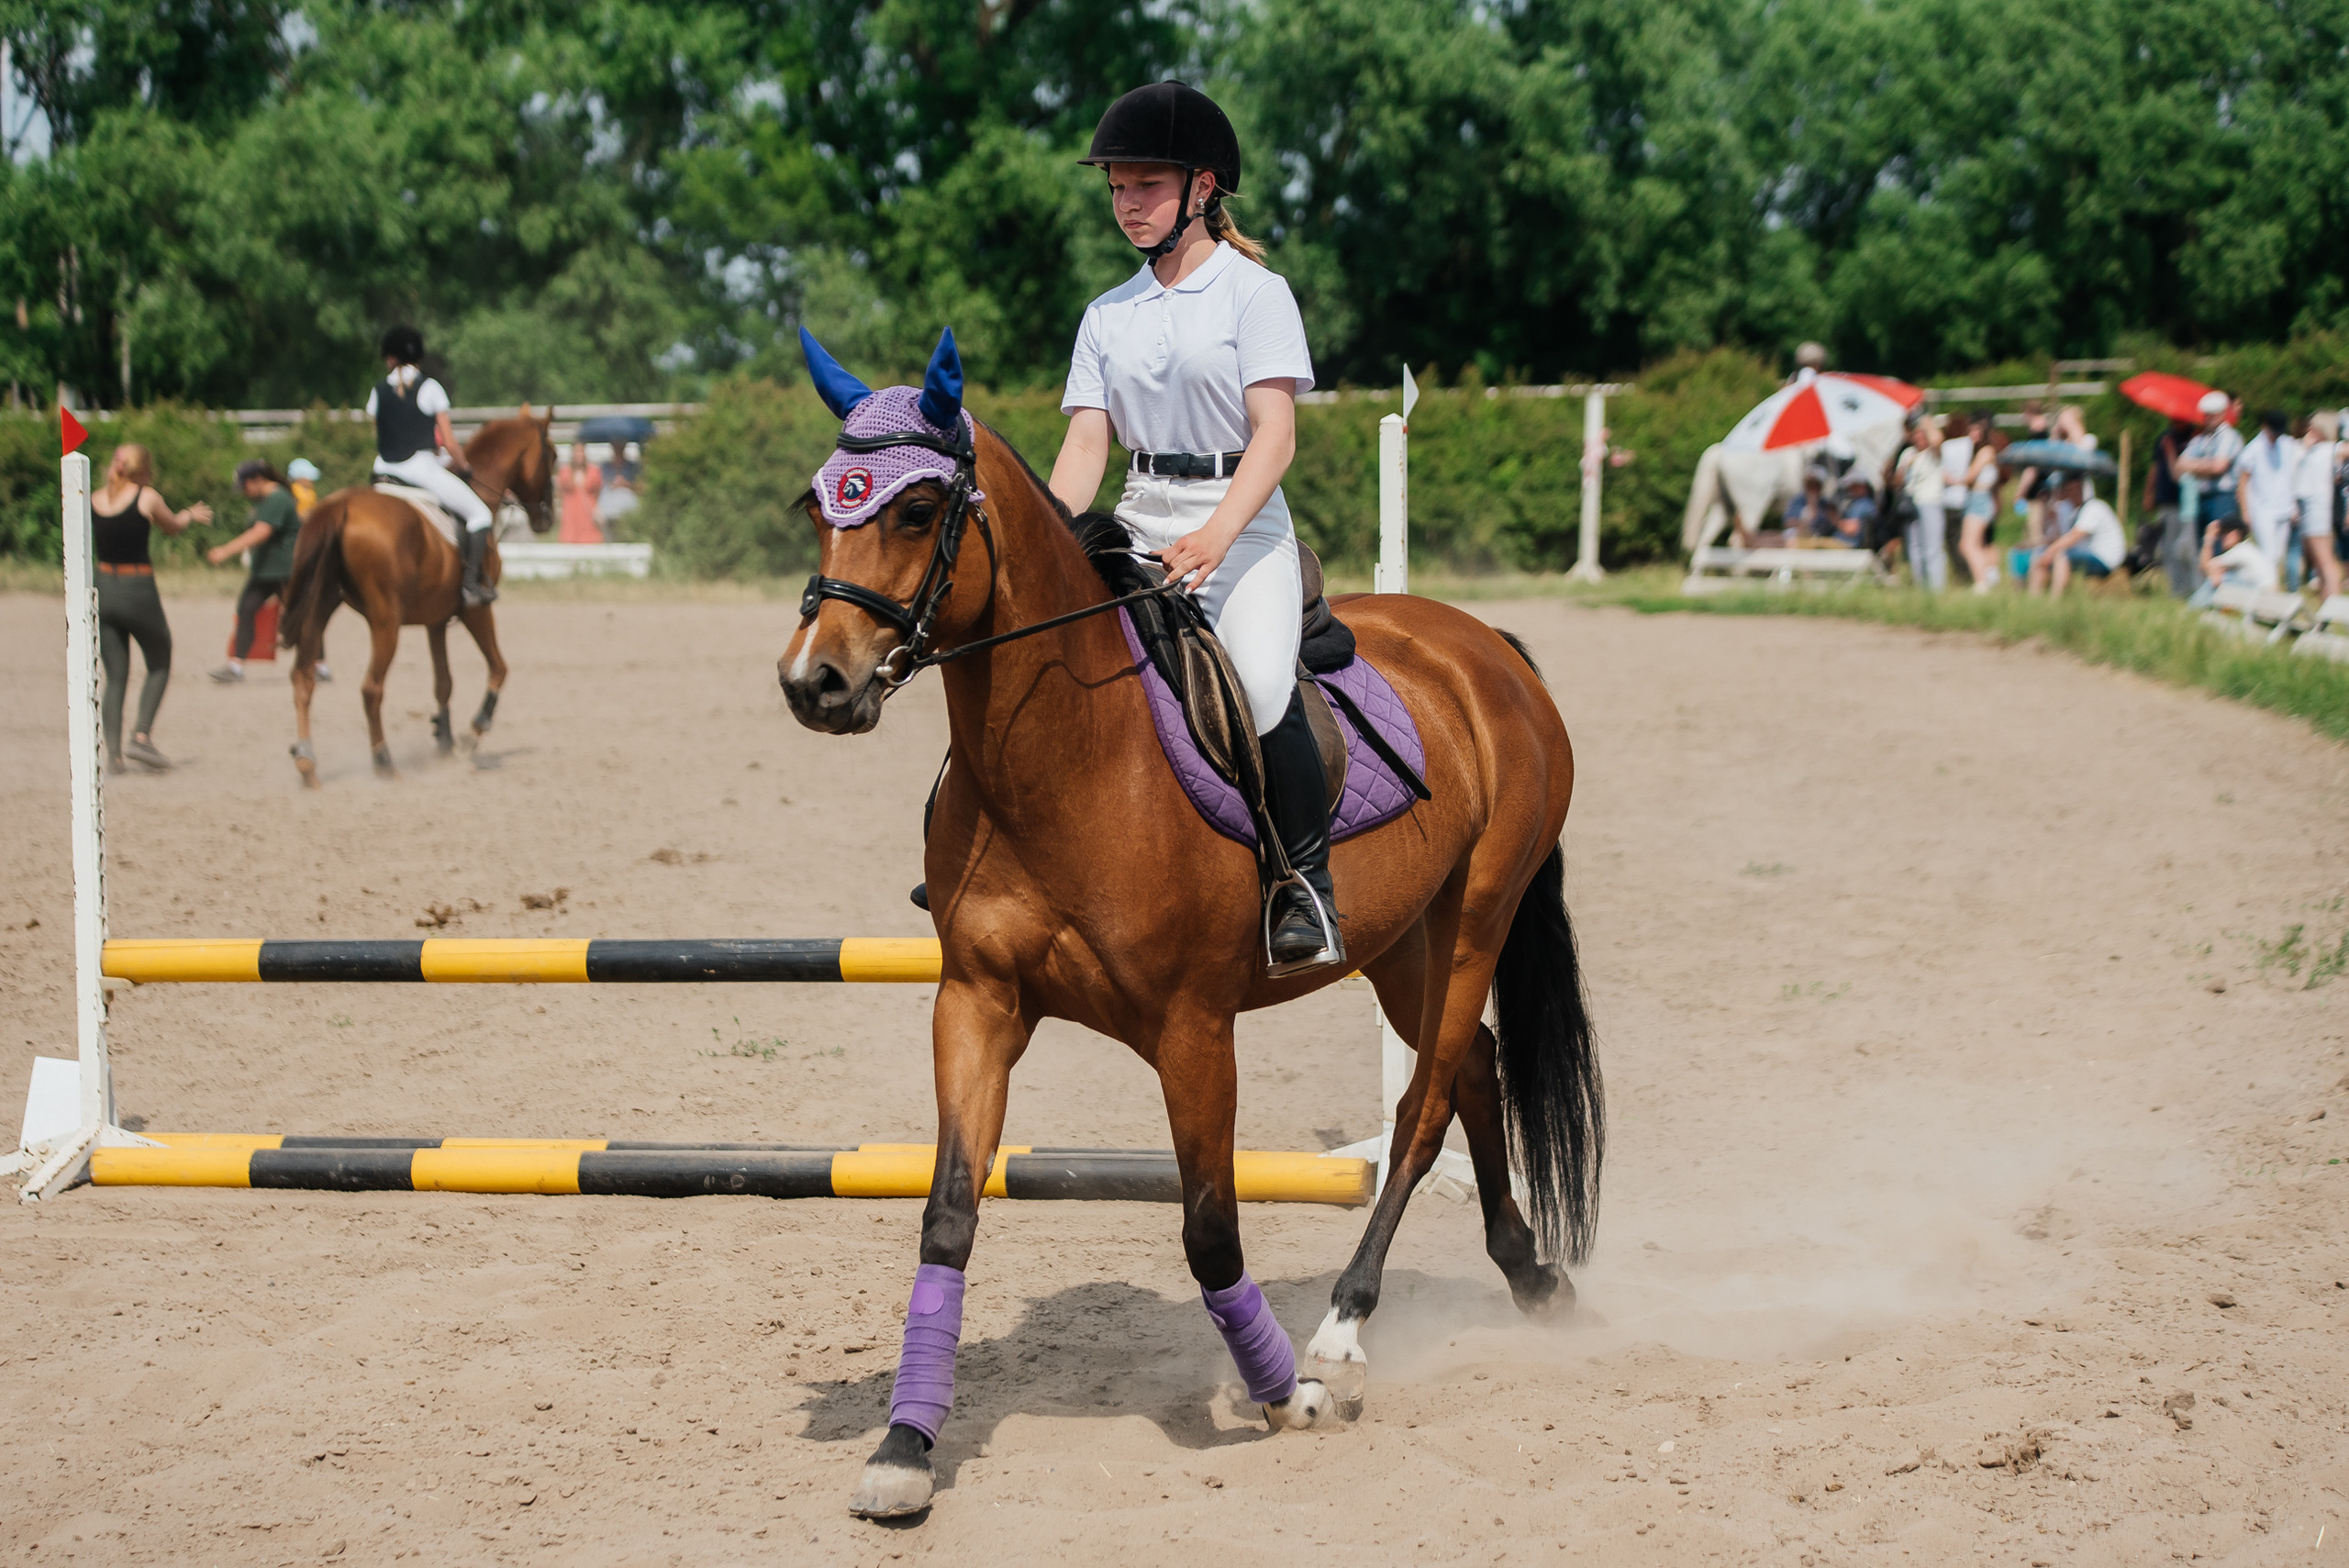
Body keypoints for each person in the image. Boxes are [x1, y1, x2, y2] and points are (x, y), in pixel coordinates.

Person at [1049, 81, 1338, 973]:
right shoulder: (1107, 313)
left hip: (1242, 529)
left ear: (1201, 188)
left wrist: (1216, 536)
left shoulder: (1255, 295)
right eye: (1117, 189)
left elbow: (1275, 436)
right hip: (1138, 516)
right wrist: (1053, 542)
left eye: (1145, 186)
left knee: (1254, 683)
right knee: (1043, 660)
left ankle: (1302, 885)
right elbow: (1086, 444)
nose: (1127, 204)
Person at [89, 443, 212, 769]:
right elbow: (171, 527)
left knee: (115, 676)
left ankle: (113, 755)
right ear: (143, 470)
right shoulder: (146, 496)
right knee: (159, 659)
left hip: (102, 587)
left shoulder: (93, 498)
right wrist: (189, 514)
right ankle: (140, 737)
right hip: (137, 588)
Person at [367, 325, 495, 606]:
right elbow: (449, 441)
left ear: (391, 358)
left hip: (382, 471)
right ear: (417, 357)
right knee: (480, 515)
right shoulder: (430, 387)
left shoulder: (377, 390)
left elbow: (380, 430)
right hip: (419, 469)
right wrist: (463, 467)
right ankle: (470, 586)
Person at [206, 459, 302, 682]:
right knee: (246, 609)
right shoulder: (263, 499)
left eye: (246, 486)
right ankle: (235, 666)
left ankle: (319, 666)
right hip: (266, 572)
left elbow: (261, 532)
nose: (244, 492)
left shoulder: (276, 498)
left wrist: (225, 551)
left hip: (284, 570)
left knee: (300, 615)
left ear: (258, 480)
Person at [2027, 474, 2126, 595]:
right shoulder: (2075, 511)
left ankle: (2056, 598)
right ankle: (2034, 596)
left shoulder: (2094, 507)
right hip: (2091, 555)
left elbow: (2073, 537)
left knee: (2061, 556)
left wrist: (2050, 551)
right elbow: (2062, 538)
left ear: (2076, 487)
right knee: (2040, 553)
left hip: (2105, 559)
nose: (2061, 491)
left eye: (2064, 487)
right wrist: (2053, 520)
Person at [2234, 409, 2299, 581]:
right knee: (2268, 553)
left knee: (2278, 554)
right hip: (2261, 509)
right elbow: (2242, 483)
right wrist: (2245, 511)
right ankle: (2268, 589)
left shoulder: (2287, 445)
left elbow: (2291, 475)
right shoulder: (2252, 450)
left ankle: (2266, 585)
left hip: (2283, 507)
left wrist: (2293, 505)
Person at [1893, 416, 1948, 591]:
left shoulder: (1932, 454)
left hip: (1930, 502)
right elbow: (1896, 481)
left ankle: (1936, 588)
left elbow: (1938, 440)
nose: (1918, 438)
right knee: (1915, 548)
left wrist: (1926, 421)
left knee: (1932, 547)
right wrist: (1906, 468)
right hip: (1911, 504)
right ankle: (1920, 586)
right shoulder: (1908, 454)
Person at [2176, 390, 2244, 534]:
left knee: (2220, 543)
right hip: (2201, 497)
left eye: (2214, 414)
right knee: (2204, 545)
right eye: (2207, 414)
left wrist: (2194, 466)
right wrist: (2207, 465)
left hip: (2223, 497)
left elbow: (2219, 466)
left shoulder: (2230, 436)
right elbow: (2180, 465)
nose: (2209, 418)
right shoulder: (2200, 439)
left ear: (2222, 413)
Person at [2293, 412, 2343, 601]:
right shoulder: (2307, 448)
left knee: (2324, 558)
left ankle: (2334, 601)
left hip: (2318, 507)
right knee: (2316, 559)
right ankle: (2326, 599)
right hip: (2305, 505)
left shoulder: (2331, 448)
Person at [2145, 419, 2196, 597]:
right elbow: (2156, 467)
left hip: (2187, 504)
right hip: (2166, 500)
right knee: (2167, 547)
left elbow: (2178, 472)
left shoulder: (2195, 438)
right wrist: (2149, 493)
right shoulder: (2164, 438)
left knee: (2184, 549)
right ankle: (2177, 588)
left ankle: (2189, 588)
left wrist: (2171, 451)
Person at [1954, 416, 2002, 591]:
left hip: (1979, 500)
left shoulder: (1985, 452)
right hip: (1981, 500)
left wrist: (1950, 478)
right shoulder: (1985, 451)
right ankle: (1987, 578)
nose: (1972, 434)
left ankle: (1981, 583)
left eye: (1976, 431)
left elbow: (1970, 477)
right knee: (1978, 544)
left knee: (1967, 545)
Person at [2188, 515, 2277, 606]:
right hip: (2262, 596)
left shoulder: (2240, 551)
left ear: (2236, 534)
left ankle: (2193, 606)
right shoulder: (2247, 548)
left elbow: (2205, 567)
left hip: (2260, 597)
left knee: (2217, 579)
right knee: (2220, 575)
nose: (2222, 537)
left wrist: (2209, 539)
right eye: (2221, 534)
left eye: (2226, 533)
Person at [557, 441, 604, 543]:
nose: (579, 455)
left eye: (581, 451)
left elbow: (598, 491)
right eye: (576, 452)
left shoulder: (593, 471)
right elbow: (559, 491)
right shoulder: (565, 471)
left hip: (588, 513)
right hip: (571, 512)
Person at [596, 441, 641, 534]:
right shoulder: (605, 467)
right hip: (609, 508)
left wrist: (625, 484)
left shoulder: (632, 467)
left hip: (627, 508)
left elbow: (639, 487)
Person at [1782, 469, 1835, 541]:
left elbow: (1828, 525)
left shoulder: (1826, 504)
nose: (1812, 488)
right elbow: (1788, 522)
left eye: (1816, 485)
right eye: (1810, 484)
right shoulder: (1797, 501)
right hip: (1796, 536)